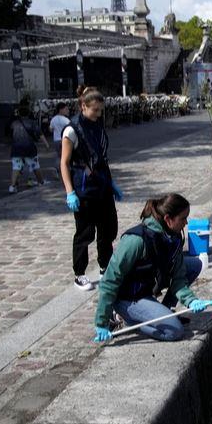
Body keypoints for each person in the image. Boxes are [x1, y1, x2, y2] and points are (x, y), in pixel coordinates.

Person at [93, 193, 212, 342]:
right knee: (174, 332)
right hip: (129, 298)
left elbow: (179, 277)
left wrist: (190, 300)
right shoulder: (135, 241)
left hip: (148, 288)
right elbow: (109, 281)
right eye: (183, 218)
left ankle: (165, 310)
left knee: (194, 264)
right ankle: (129, 319)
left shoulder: (173, 237)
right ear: (168, 219)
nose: (186, 223)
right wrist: (101, 322)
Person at [60, 87, 123, 292]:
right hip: (84, 190)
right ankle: (80, 273)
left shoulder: (98, 126)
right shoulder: (72, 130)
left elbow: (102, 158)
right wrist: (70, 191)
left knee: (108, 229)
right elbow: (64, 163)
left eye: (100, 110)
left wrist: (111, 184)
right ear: (83, 106)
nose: (98, 114)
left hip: (102, 185)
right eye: (94, 110)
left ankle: (105, 266)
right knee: (85, 233)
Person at [9, 106, 50, 193]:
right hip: (29, 147)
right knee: (35, 165)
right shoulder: (32, 122)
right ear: (29, 113)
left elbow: (9, 134)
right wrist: (46, 144)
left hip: (16, 147)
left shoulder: (14, 123)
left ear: (19, 114)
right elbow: (40, 134)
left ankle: (12, 186)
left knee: (16, 167)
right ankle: (41, 182)